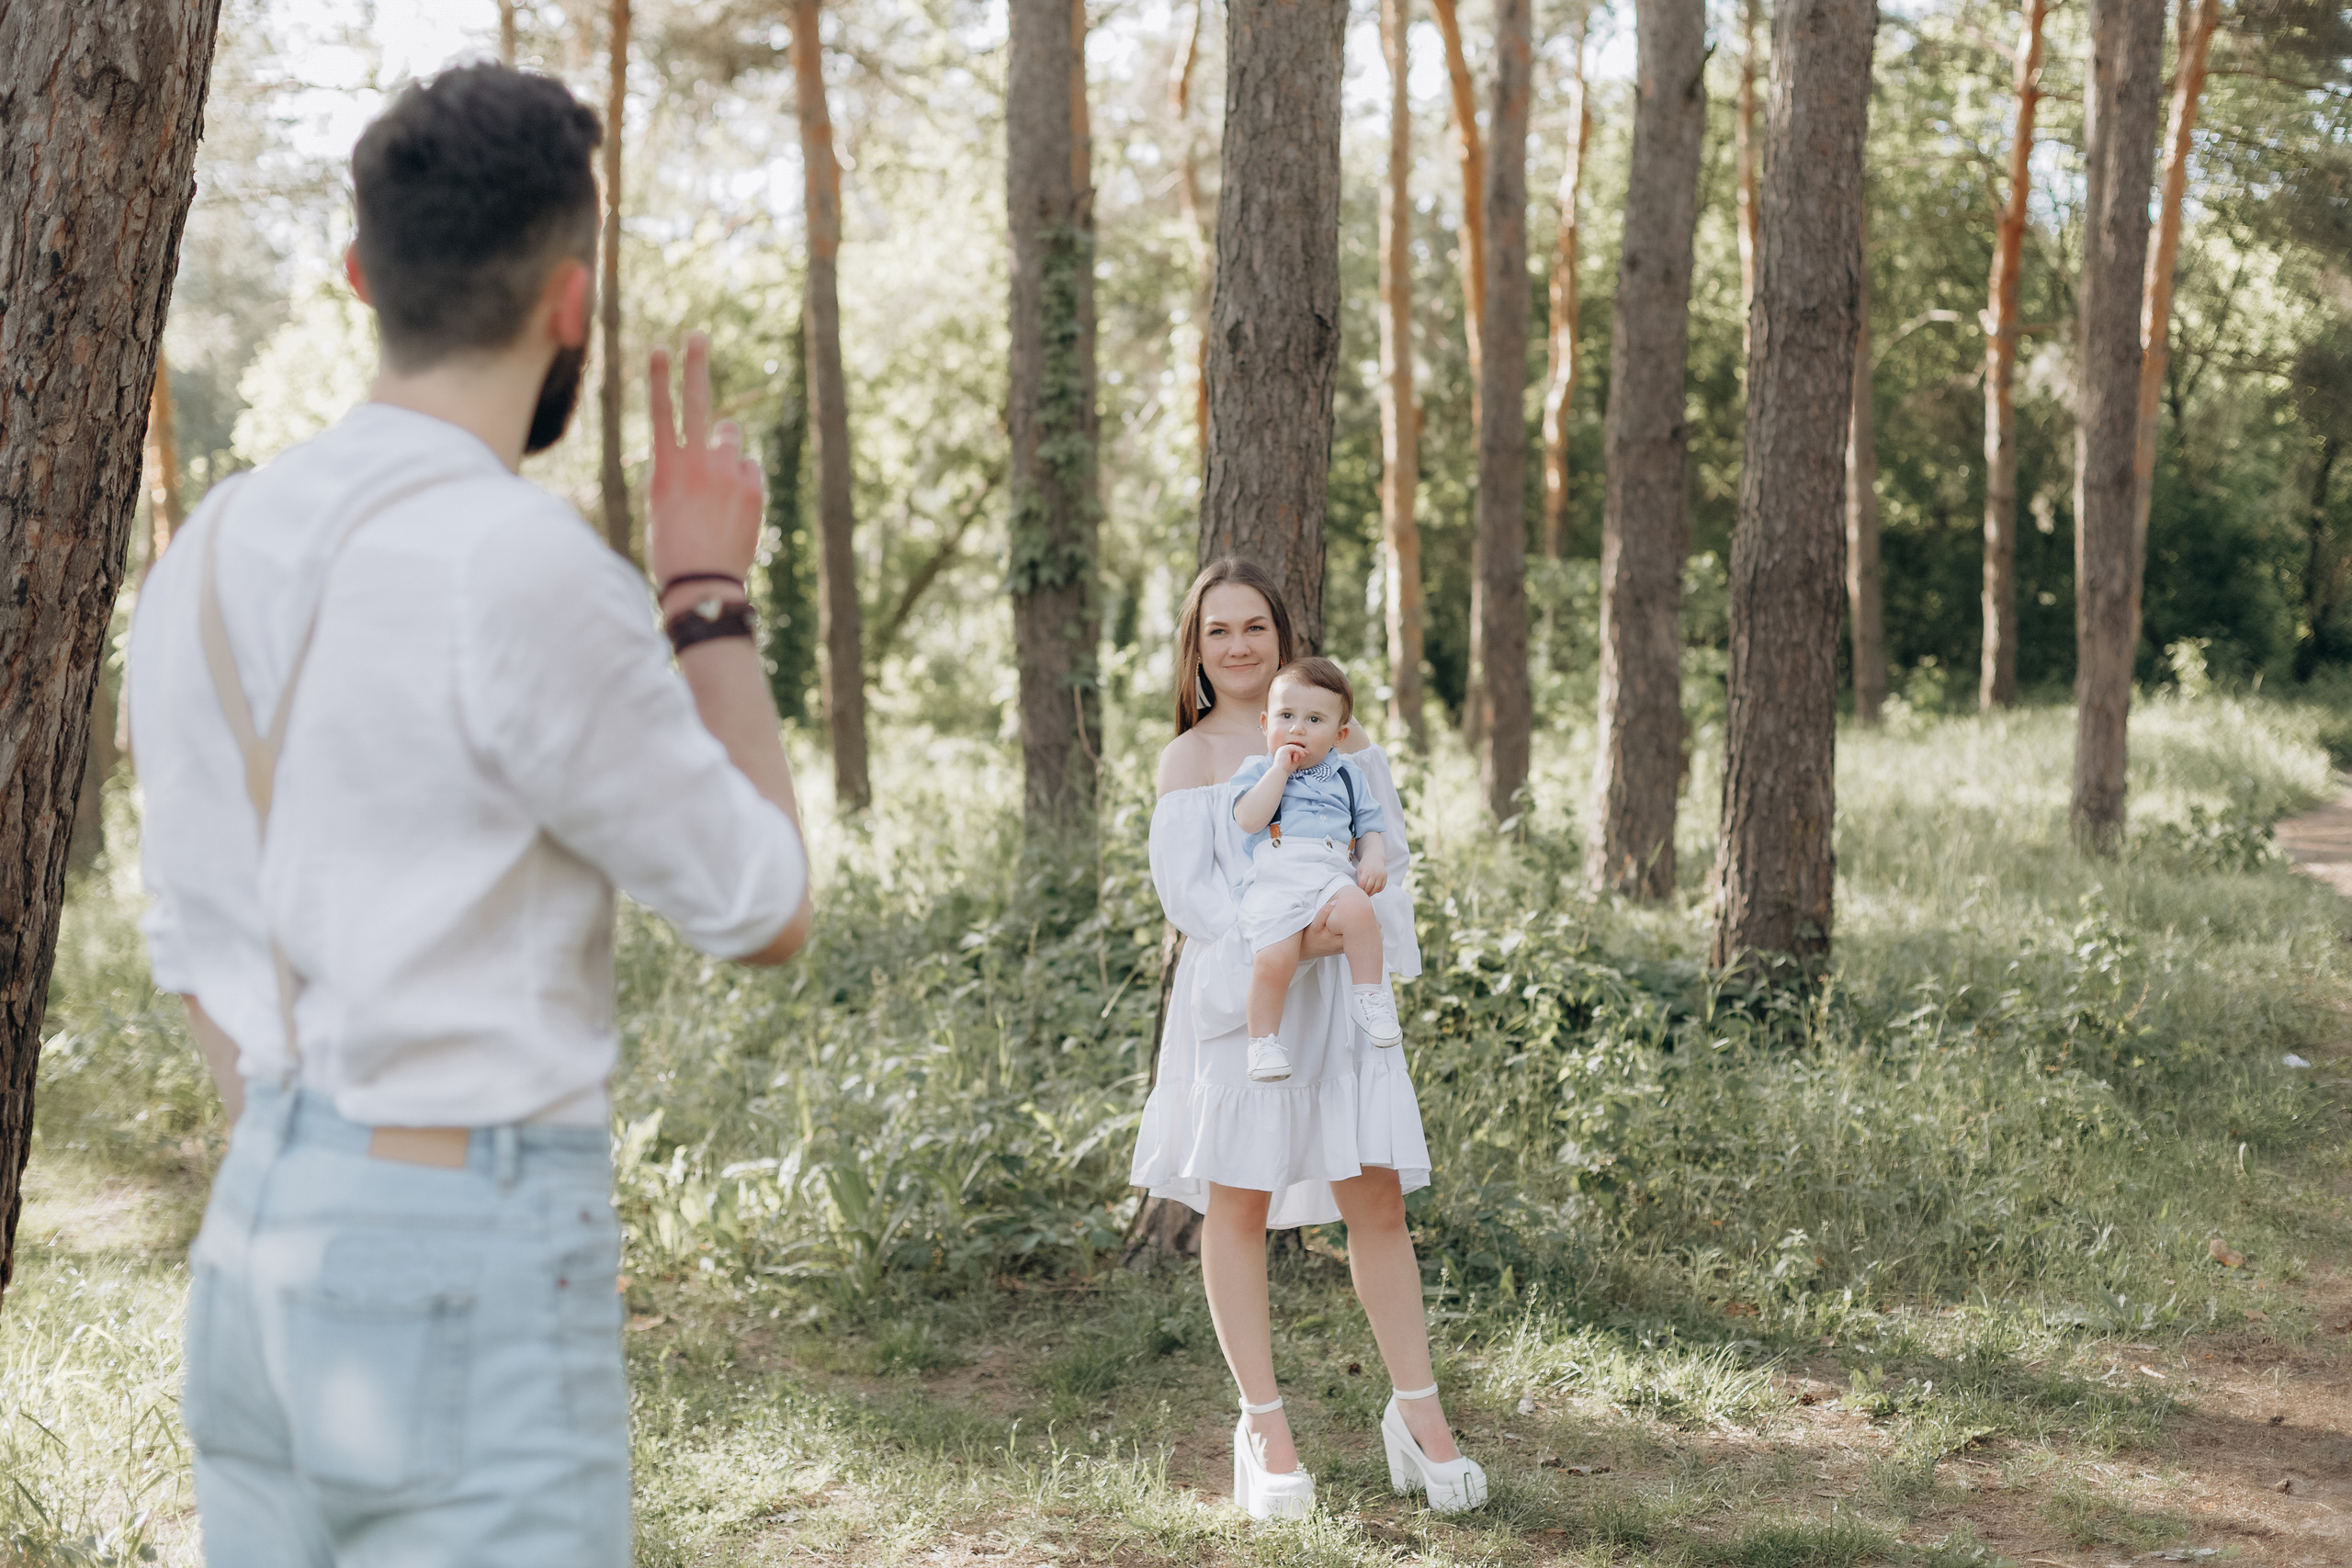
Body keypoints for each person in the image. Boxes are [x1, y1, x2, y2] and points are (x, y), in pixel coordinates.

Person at [126, 64, 809, 1563]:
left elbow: (187, 934)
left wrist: (311, 1161)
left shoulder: (205, 555)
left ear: (364, 275)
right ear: (573, 304)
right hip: (462, 1233)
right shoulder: (520, 565)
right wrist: (705, 593)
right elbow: (762, 905)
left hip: (255, 1235)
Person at [1128, 558, 1487, 1519]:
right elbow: (1195, 903)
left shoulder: (1344, 736)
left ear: (1283, 640)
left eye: (1254, 627)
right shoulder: (1190, 761)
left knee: (1373, 1201)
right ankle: (1264, 1428)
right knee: (1236, 1204)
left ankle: (1418, 1415)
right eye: (1218, 632)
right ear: (1195, 653)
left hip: (1345, 1000)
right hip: (1246, 1008)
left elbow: (1388, 857)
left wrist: (1342, 930)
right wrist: (1301, 934)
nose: (1238, 646)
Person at [1227, 657, 1403, 1083]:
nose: (1298, 729)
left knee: (1361, 910)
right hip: (1277, 877)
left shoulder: (1347, 776)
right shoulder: (1257, 770)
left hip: (1330, 873)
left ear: (1339, 735)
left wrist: (1374, 858)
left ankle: (1369, 998)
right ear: (1266, 723)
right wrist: (1280, 770)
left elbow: (1371, 826)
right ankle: (1263, 1043)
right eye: (1286, 717)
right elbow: (1249, 819)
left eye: (1314, 719)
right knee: (1274, 957)